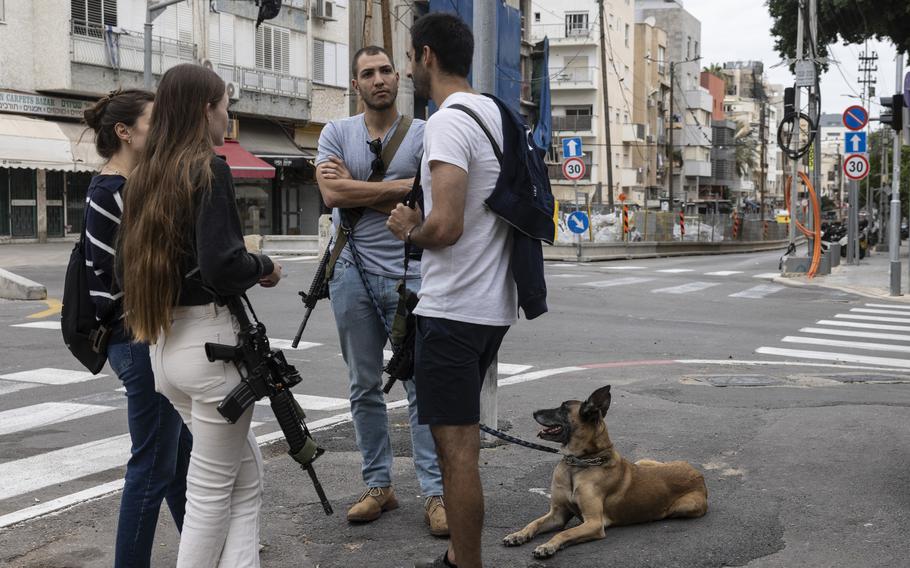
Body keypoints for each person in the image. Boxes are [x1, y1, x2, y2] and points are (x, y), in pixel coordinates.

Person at [117, 64, 282, 568]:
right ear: (204, 108)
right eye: (224, 104)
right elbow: (223, 264)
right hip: (213, 349)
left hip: (167, 351)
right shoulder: (207, 167)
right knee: (211, 494)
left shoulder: (145, 174)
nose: (228, 116)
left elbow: (126, 268)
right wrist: (265, 265)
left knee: (244, 482)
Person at [387, 13, 514, 568]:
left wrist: (407, 228)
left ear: (428, 56)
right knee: (464, 449)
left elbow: (447, 226)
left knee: (457, 454)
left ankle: (466, 562)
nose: (409, 68)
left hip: (454, 310)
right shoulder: (495, 113)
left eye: (411, 58)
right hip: (491, 306)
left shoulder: (446, 122)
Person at [316, 45, 447, 535]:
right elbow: (332, 194)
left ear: (399, 77)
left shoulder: (423, 133)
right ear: (356, 84)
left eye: (386, 70)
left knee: (420, 386)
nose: (378, 79)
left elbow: (431, 195)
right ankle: (379, 485)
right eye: (367, 73)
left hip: (410, 273)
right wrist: (399, 188)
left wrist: (363, 188)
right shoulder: (335, 132)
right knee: (362, 386)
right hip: (349, 271)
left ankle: (435, 494)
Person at [82, 88, 193, 568]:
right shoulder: (110, 193)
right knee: (152, 466)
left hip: (147, 335)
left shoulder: (132, 186)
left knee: (180, 459)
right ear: (124, 132)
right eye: (154, 122)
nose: (163, 129)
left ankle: (204, 550)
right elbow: (106, 286)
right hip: (135, 338)